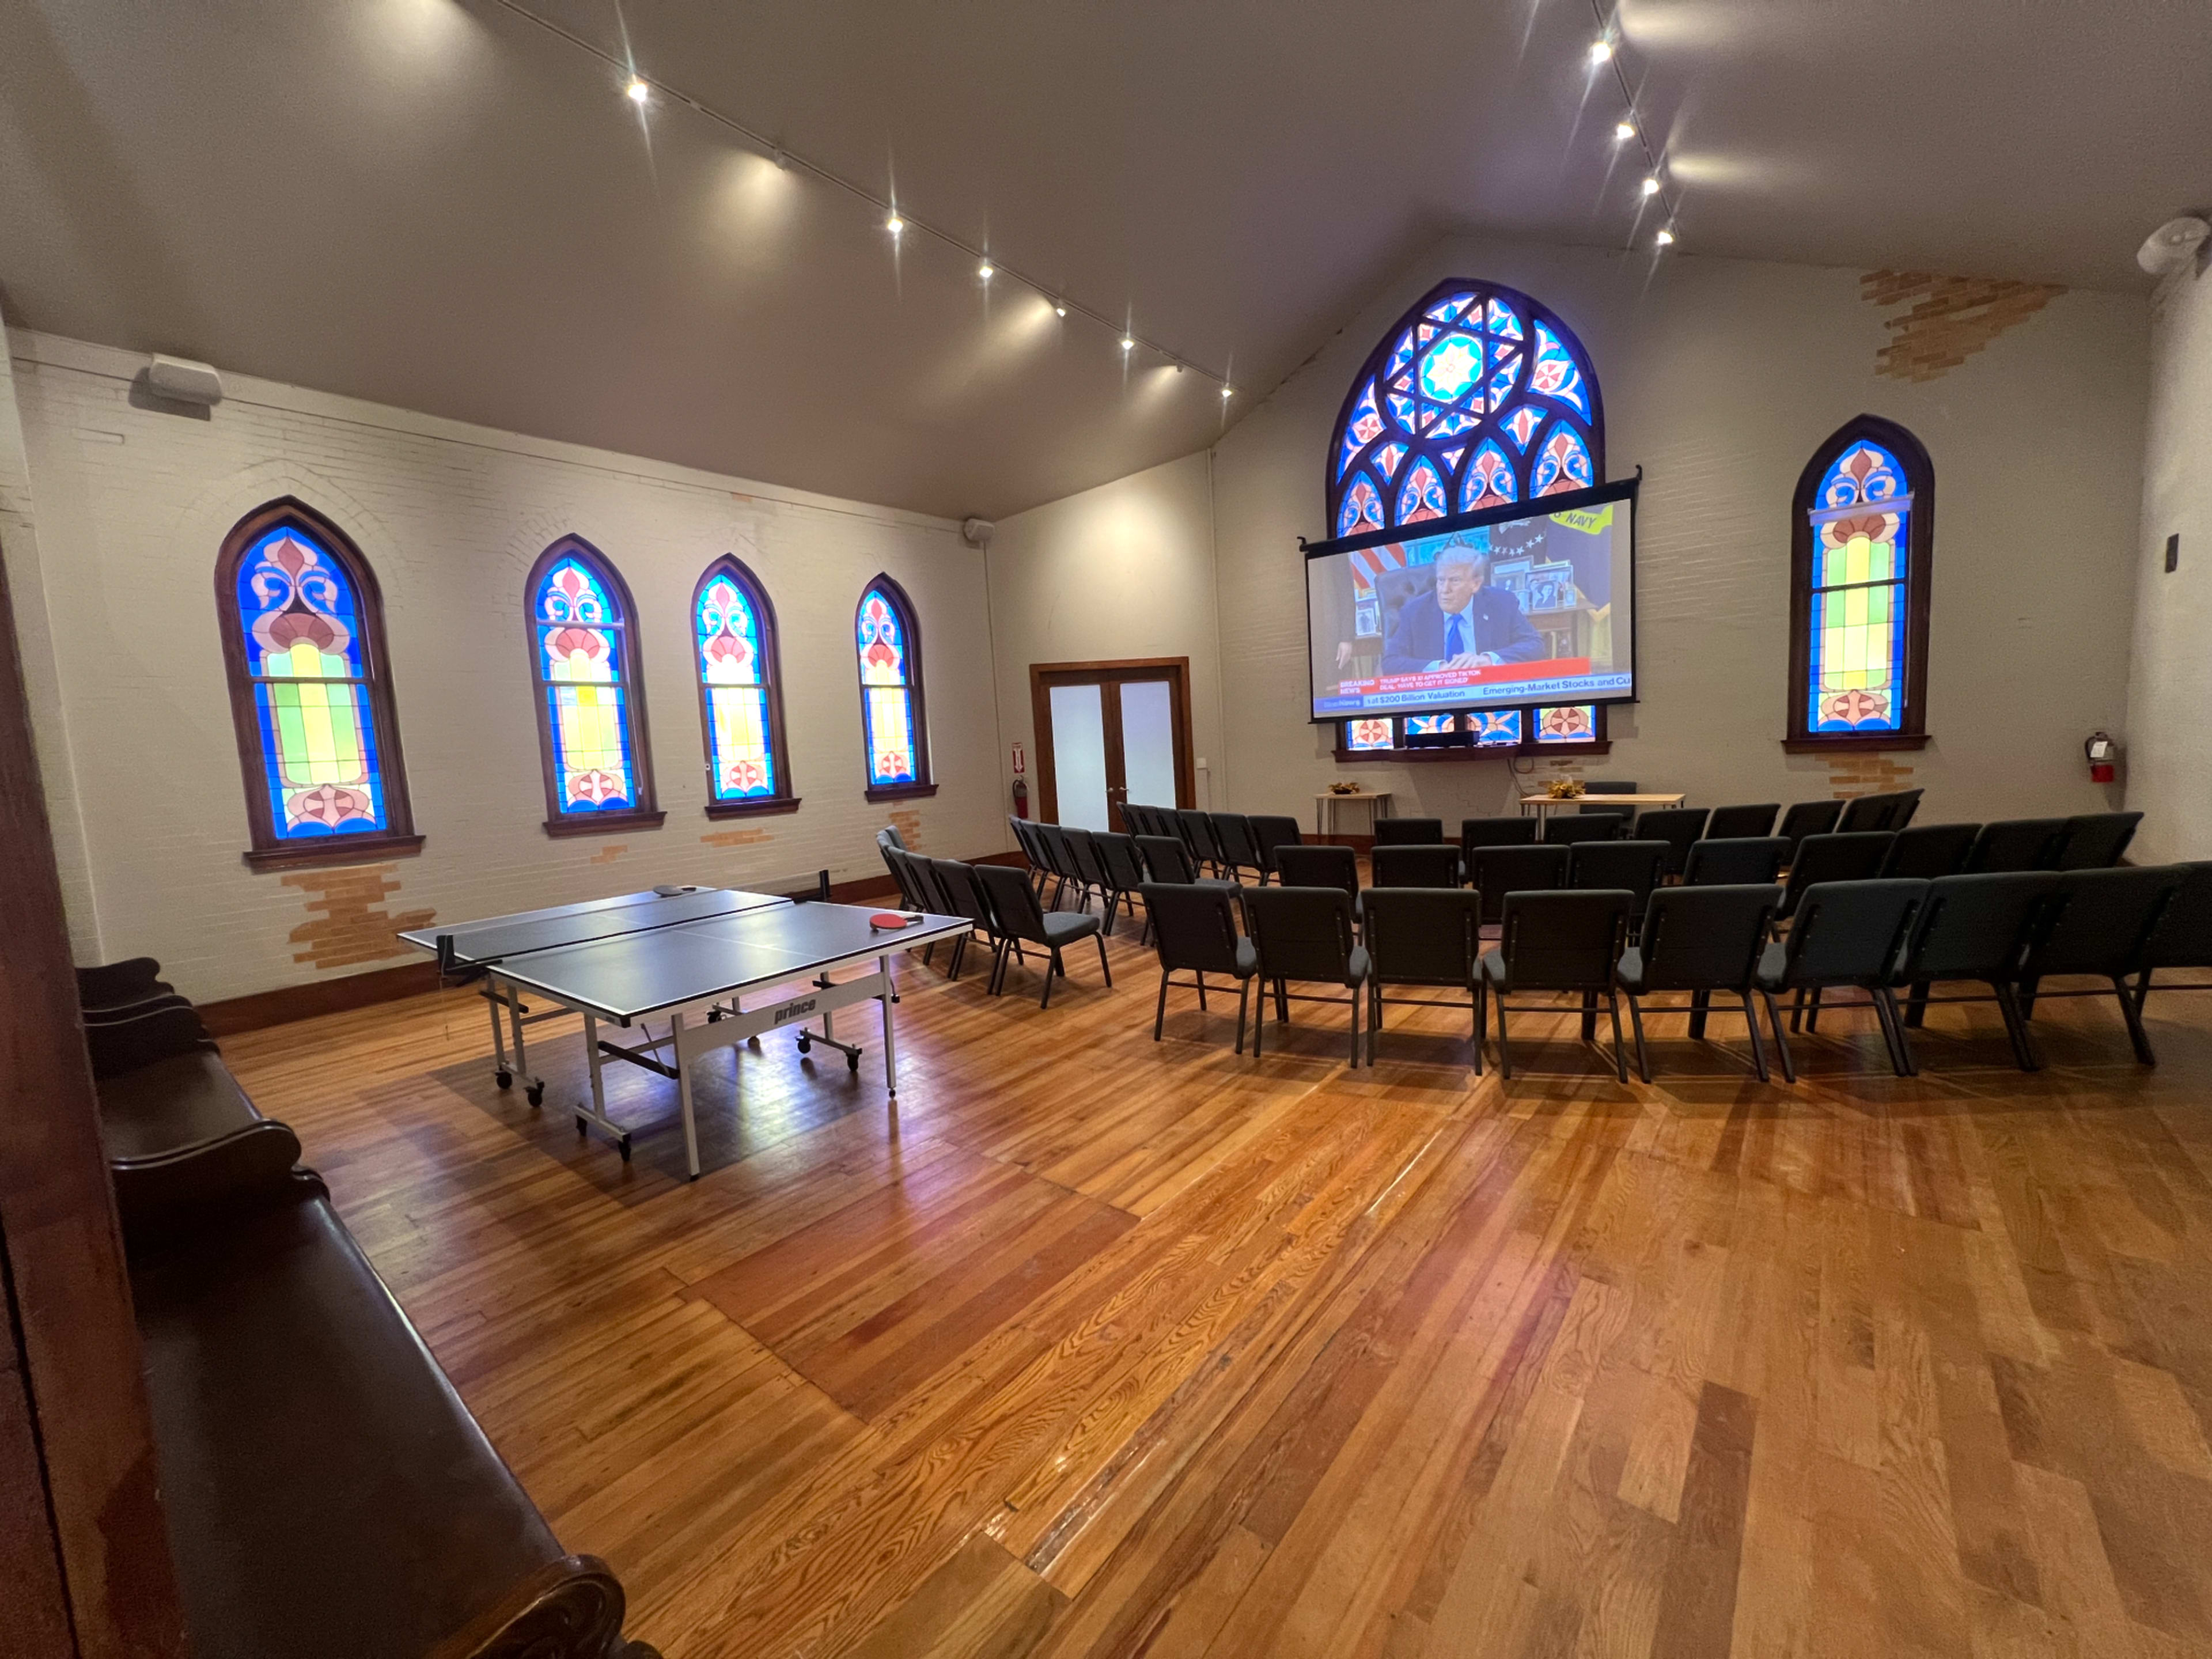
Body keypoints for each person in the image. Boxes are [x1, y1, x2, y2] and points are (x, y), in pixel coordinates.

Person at [1378, 541, 1543, 674]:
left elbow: (1535, 646)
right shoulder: (1415, 612)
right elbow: (1391, 662)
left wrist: (1488, 660)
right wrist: (1439, 668)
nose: (1444, 589)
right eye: (1441, 580)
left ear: (1476, 584)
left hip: (1489, 695)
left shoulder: (1501, 603)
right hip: (1434, 699)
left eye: (1455, 581)